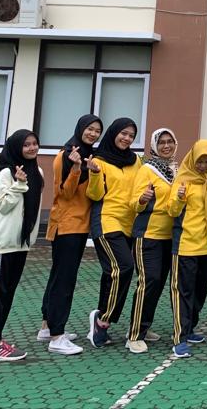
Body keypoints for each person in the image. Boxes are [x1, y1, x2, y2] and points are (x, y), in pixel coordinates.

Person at [0, 129, 44, 362]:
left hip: (20, 243)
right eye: (26, 145)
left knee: (7, 293)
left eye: (35, 143)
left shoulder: (38, 172)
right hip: (2, 242)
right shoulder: (6, 173)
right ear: (16, 147)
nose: (32, 148)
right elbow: (3, 205)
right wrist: (19, 184)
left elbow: (33, 207)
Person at [38, 113, 101, 356]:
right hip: (67, 225)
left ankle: (47, 327)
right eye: (90, 129)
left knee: (58, 277)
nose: (93, 133)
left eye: (97, 130)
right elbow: (64, 193)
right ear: (80, 128)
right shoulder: (65, 155)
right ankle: (57, 336)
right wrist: (76, 168)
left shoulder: (88, 155)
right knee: (64, 281)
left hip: (77, 224)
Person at [85, 117, 141, 348]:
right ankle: (103, 319)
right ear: (113, 133)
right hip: (106, 221)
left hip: (129, 224)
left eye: (131, 135)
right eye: (123, 133)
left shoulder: (136, 161)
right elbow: (95, 195)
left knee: (111, 272)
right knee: (124, 267)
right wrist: (94, 174)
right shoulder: (99, 160)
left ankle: (101, 317)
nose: (127, 138)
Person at [168, 140, 207, 359]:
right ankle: (179, 338)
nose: (202, 166)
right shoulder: (183, 178)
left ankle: (190, 327)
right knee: (183, 292)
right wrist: (179, 198)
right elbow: (172, 210)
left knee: (200, 290)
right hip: (186, 245)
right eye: (200, 161)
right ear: (192, 159)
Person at [124, 128, 179, 353]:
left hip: (170, 236)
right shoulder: (147, 169)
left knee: (158, 284)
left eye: (170, 141)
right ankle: (134, 334)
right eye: (162, 142)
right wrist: (142, 199)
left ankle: (144, 327)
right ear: (155, 146)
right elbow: (133, 203)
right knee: (148, 281)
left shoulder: (176, 170)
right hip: (148, 235)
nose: (166, 146)